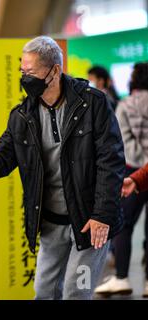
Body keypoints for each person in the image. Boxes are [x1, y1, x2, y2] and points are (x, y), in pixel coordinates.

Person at [0, 36, 125, 300]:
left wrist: (102, 214)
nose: (24, 77)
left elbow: (110, 161)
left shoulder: (93, 103)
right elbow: (0, 163)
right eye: (22, 71)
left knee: (76, 291)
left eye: (30, 72)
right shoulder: (22, 116)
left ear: (54, 70)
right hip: (50, 222)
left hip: (90, 223)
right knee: (43, 292)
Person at [95, 62, 148, 298]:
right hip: (145, 172)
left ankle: (121, 277)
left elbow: (119, 141)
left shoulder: (126, 105)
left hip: (133, 173)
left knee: (124, 225)